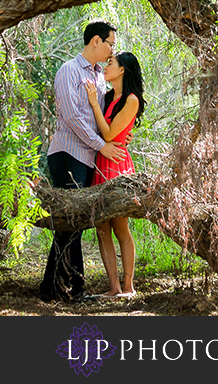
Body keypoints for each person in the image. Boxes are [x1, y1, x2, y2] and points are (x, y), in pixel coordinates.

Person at [39, 20, 124, 303]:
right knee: (69, 221)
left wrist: (118, 138)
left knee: (72, 223)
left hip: (89, 158)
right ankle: (74, 290)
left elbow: (101, 118)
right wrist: (103, 145)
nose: (113, 49)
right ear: (96, 42)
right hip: (67, 155)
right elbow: (73, 117)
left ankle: (53, 288)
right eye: (110, 43)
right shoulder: (69, 71)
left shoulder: (101, 77)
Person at [83, 51, 145, 297]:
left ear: (122, 70)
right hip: (101, 161)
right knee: (101, 227)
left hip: (117, 164)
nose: (106, 66)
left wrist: (94, 104)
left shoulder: (131, 99)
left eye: (111, 63)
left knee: (120, 226)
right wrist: (97, 103)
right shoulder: (107, 96)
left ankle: (129, 287)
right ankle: (113, 288)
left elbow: (109, 134)